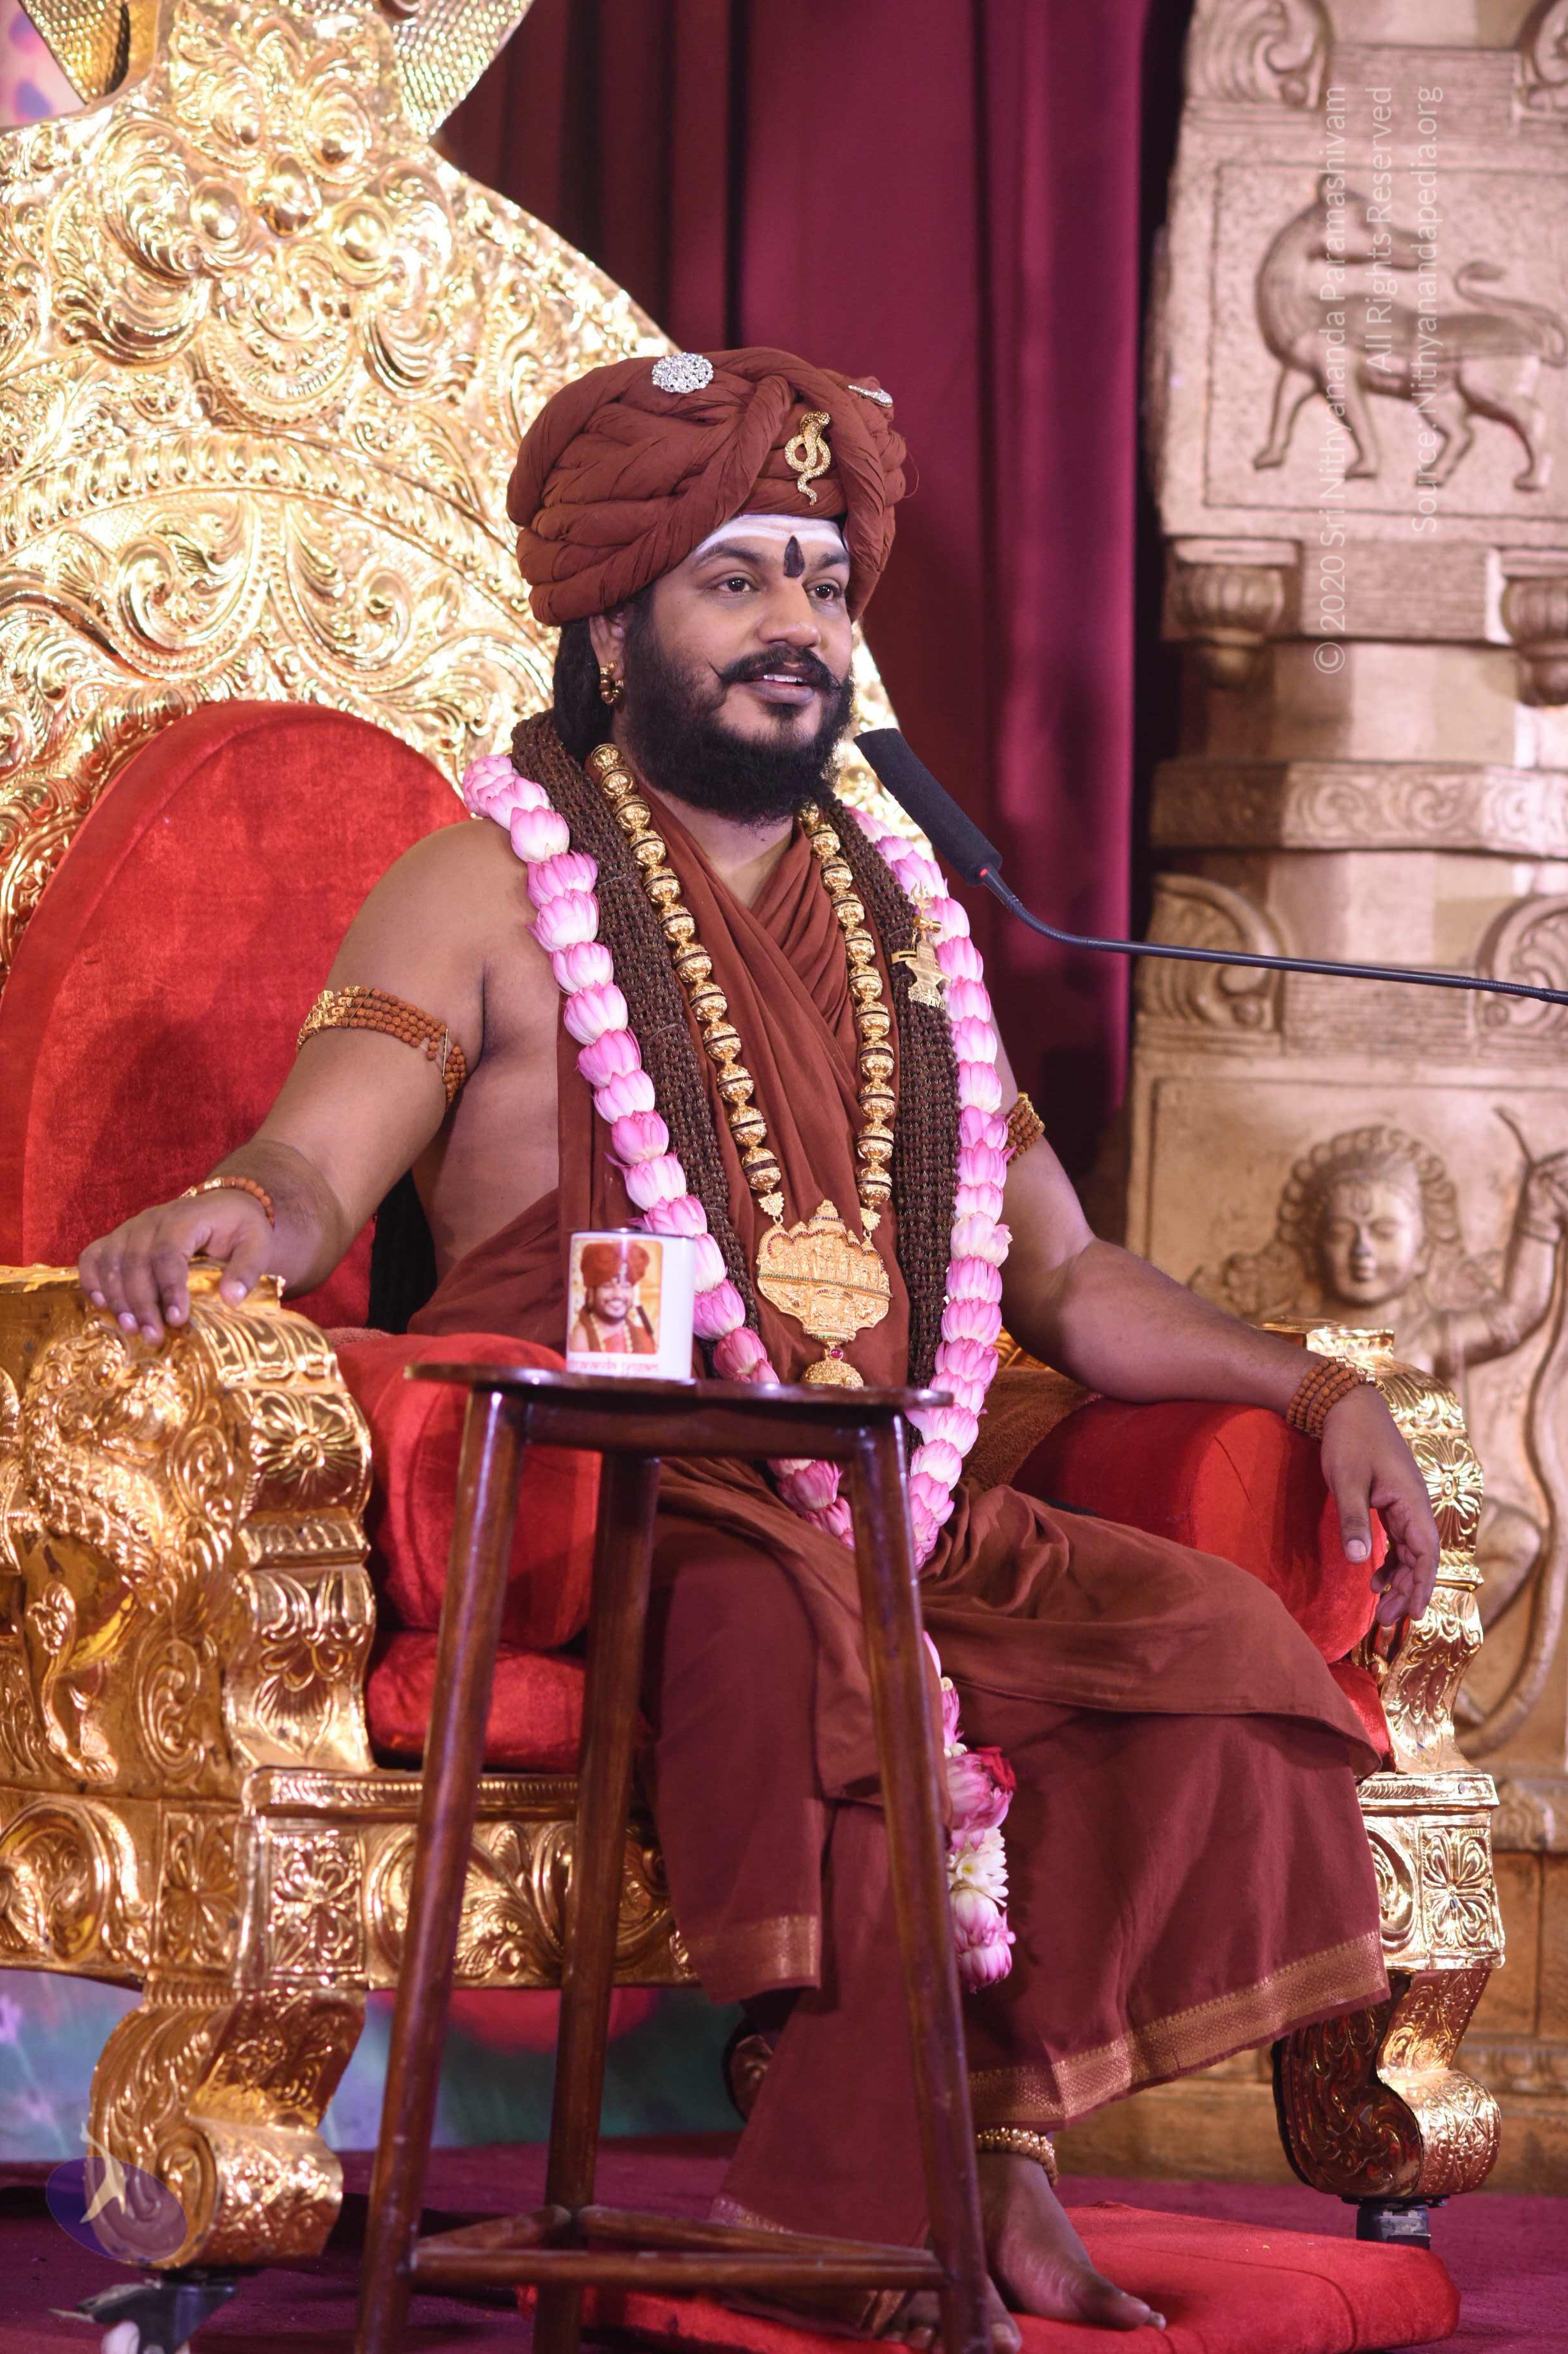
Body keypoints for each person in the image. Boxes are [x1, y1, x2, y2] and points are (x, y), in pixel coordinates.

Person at [79, 347, 1441, 2344]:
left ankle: (988, 2154)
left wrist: (1316, 1388)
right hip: (616, 1498)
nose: (795, 621)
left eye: (820, 577)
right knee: (807, 1645)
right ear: (609, 626)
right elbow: (313, 1166)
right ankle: (846, 2230)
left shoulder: (914, 926)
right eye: (735, 580)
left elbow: (1066, 1280)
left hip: (895, 1489)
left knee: (1213, 1646)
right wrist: (238, 1210)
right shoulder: (486, 884)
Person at [569, 1236, 658, 1356]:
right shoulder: (579, 1339)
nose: (618, 1294)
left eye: (625, 1286)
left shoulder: (644, 1338)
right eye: (608, 1286)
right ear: (592, 1292)